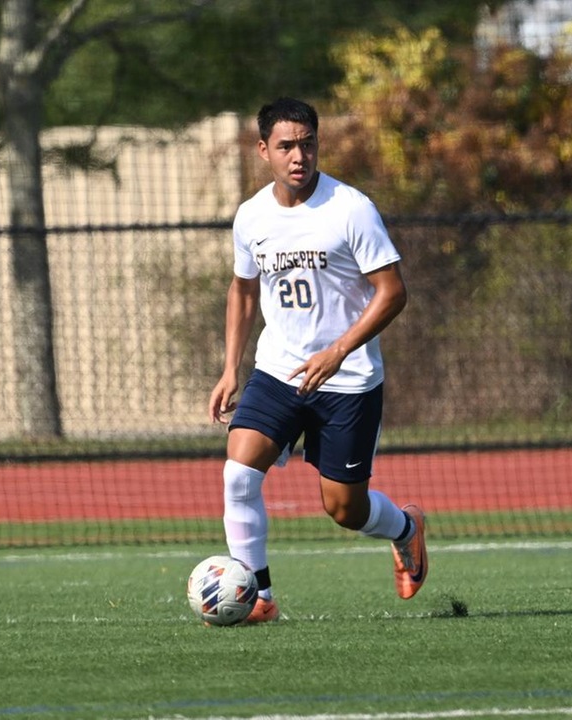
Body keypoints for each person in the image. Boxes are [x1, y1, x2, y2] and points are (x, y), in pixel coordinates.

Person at [207, 97, 427, 624]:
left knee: (344, 510)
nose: (298, 156)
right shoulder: (252, 216)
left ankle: (405, 529)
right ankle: (259, 597)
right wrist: (229, 368)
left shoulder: (350, 208)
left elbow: (392, 292)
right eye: (285, 146)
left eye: (307, 144)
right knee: (239, 473)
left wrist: (339, 350)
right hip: (278, 370)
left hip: (348, 379)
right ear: (264, 151)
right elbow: (242, 291)